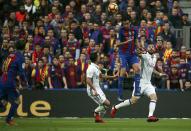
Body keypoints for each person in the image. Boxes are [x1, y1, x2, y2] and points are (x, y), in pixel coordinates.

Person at [111, 43, 166, 122]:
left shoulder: (154, 57)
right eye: (149, 47)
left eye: (152, 47)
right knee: (133, 101)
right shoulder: (144, 55)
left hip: (148, 83)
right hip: (140, 82)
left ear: (154, 48)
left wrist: (159, 73)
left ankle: (150, 116)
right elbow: (138, 54)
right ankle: (115, 107)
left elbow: (151, 68)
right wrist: (136, 50)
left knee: (154, 97)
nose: (151, 48)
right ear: (147, 49)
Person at [0, 40, 27, 125]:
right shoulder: (21, 57)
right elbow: (22, 72)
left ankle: (9, 119)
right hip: (9, 81)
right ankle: (9, 119)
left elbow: (3, 67)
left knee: (3, 101)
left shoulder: (10, 55)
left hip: (2, 79)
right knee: (17, 101)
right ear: (25, 47)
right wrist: (25, 82)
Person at [86, 53, 116, 123]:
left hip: (98, 89)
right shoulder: (90, 68)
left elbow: (101, 76)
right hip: (93, 90)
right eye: (98, 56)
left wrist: (113, 77)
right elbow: (88, 80)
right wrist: (94, 90)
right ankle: (95, 112)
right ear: (96, 58)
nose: (99, 57)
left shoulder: (96, 67)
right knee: (107, 104)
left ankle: (98, 118)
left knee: (105, 105)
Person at [117, 19, 141, 101]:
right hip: (123, 53)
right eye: (124, 24)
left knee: (137, 69)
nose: (126, 25)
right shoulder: (121, 31)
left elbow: (136, 41)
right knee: (123, 71)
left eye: (127, 23)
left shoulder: (135, 29)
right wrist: (126, 42)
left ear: (130, 23)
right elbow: (117, 44)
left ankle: (137, 91)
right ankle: (120, 94)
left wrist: (139, 48)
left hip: (132, 53)